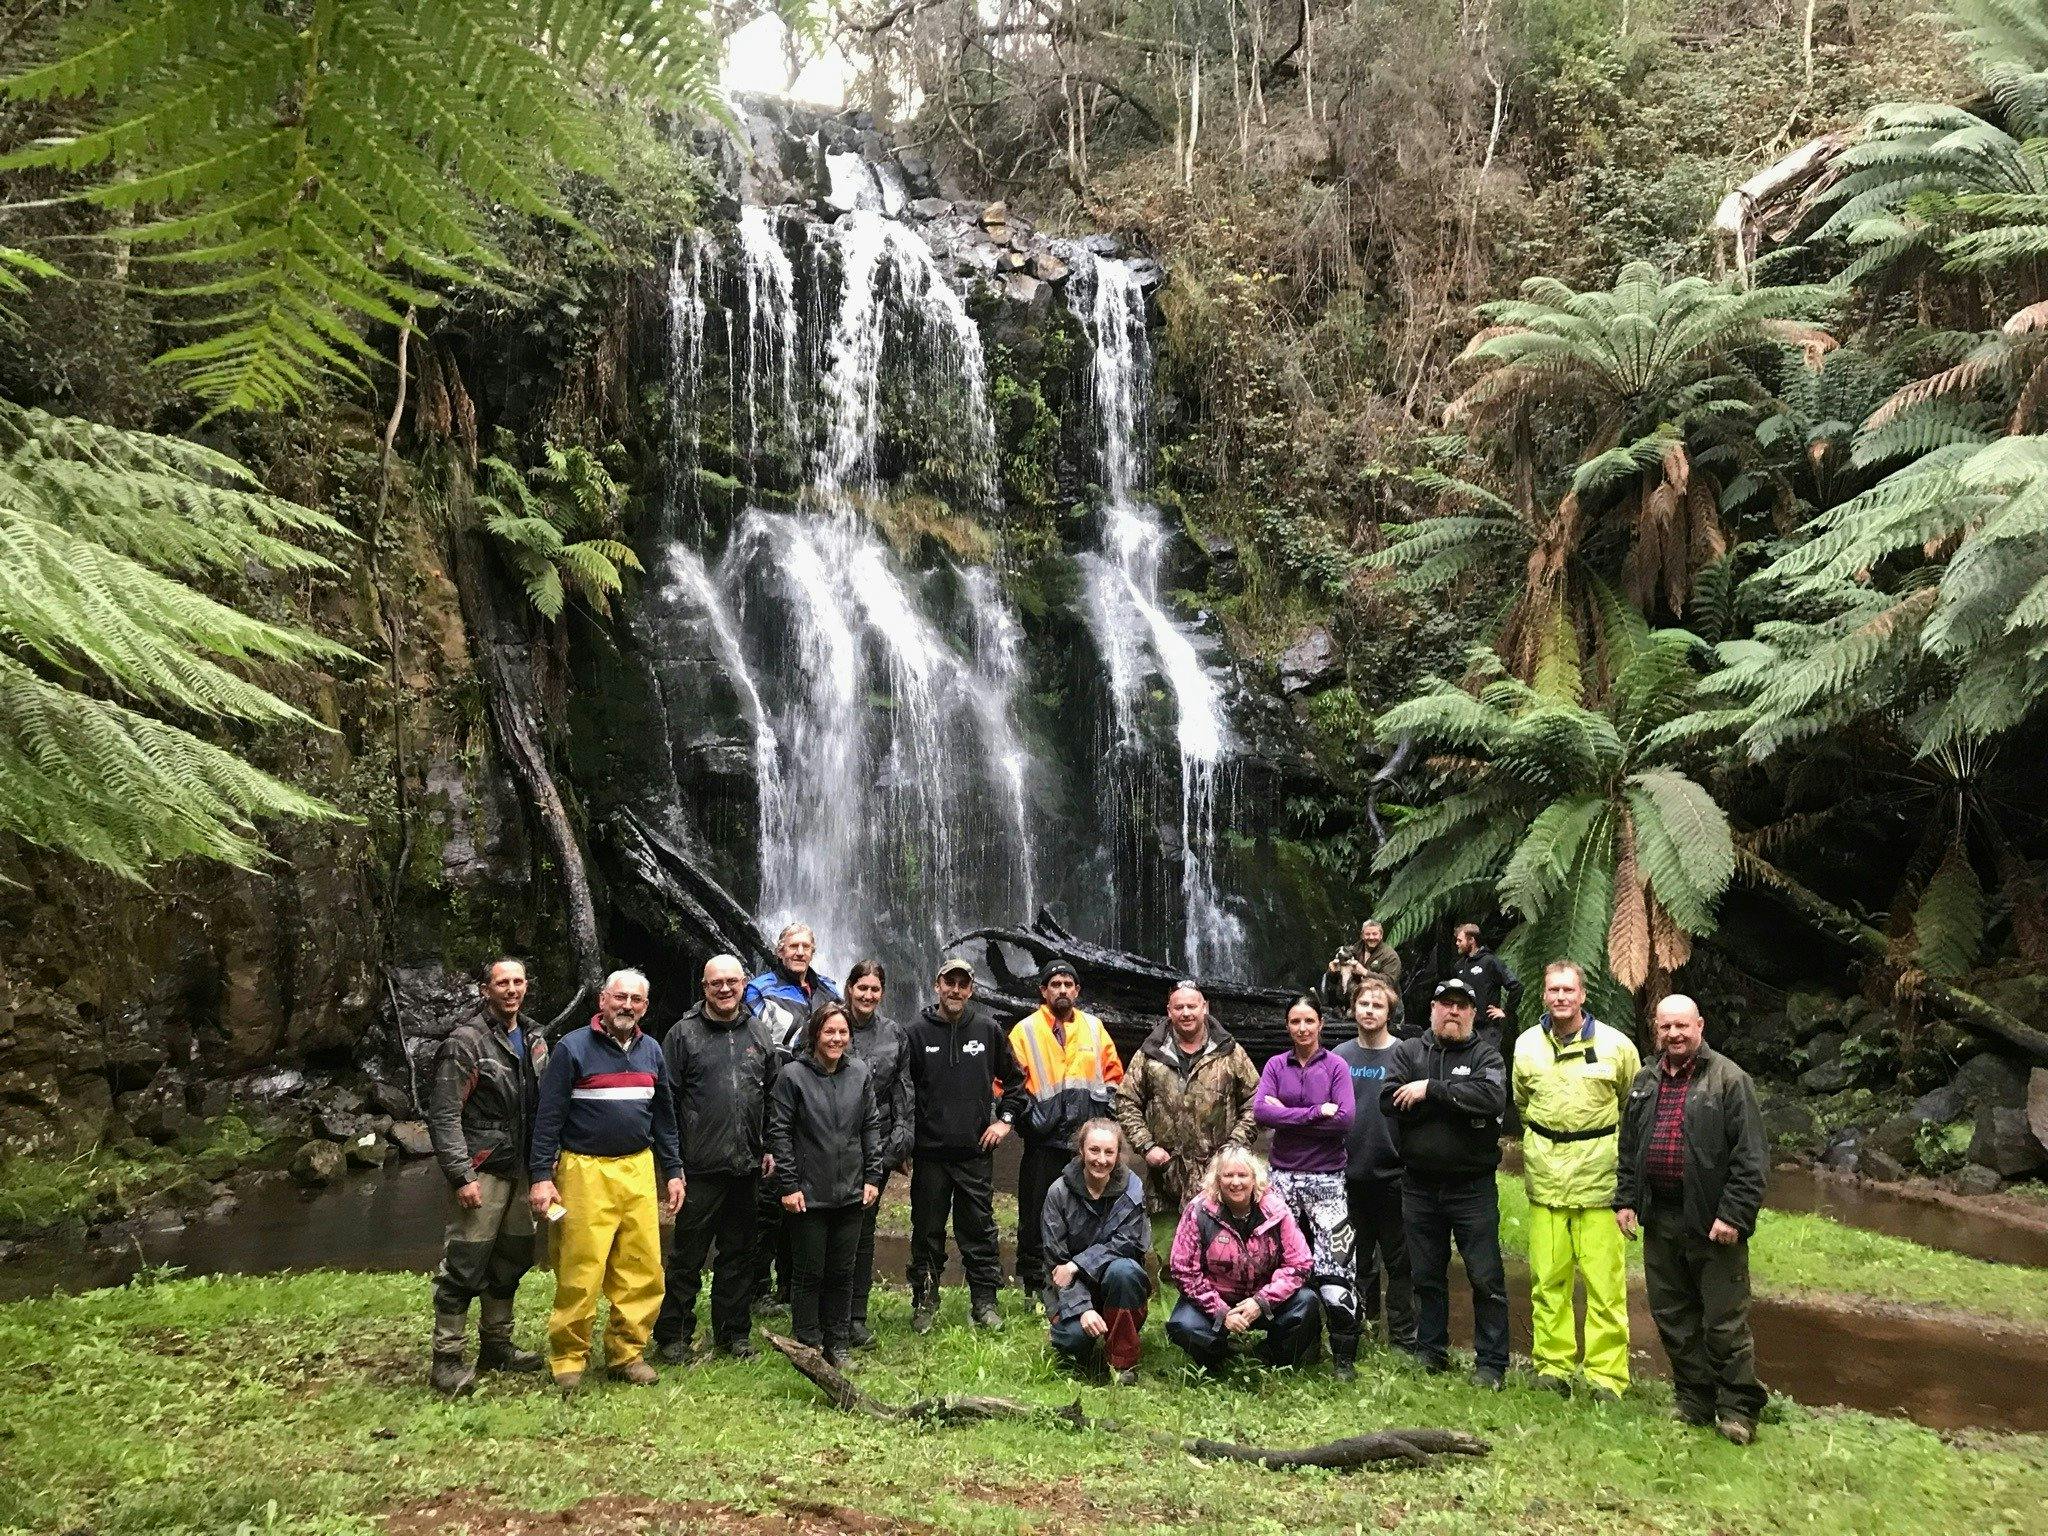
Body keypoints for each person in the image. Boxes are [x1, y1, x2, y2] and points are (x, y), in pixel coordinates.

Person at [1616, 994, 1769, 1444]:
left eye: (1682, 1026)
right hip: (1660, 1218)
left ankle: (1738, 1407)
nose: (1674, 1035)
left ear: (1699, 1026)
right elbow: (1630, 1149)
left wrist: (1734, 1215)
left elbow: (1751, 1157)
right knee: (1673, 1315)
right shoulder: (1645, 1080)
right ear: (1656, 1030)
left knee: (1723, 1319)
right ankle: (1694, 1397)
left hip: (1712, 1222)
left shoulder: (1729, 1080)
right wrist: (1626, 1200)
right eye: (1666, 1027)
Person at [527, 969, 684, 1391]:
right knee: (580, 1268)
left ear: (645, 1007)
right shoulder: (572, 1048)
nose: (627, 1006)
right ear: (602, 1000)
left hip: (637, 1168)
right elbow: (548, 1118)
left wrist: (674, 1171)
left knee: (643, 1267)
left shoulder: (651, 1050)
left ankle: (627, 1353)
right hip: (584, 1170)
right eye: (620, 997)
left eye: (636, 999)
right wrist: (542, 1176)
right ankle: (568, 1358)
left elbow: (665, 1118)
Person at [1514, 960, 1640, 1400]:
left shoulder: (1616, 1046)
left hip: (1599, 1181)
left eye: (1569, 990)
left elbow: (1632, 1104)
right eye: (1553, 990)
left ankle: (1607, 1375)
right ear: (1544, 995)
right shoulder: (1527, 1045)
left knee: (1605, 1285)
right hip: (1545, 1179)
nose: (1561, 997)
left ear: (1583, 995)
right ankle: (1553, 1366)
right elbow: (1521, 1099)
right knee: (1548, 1280)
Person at [423, 956, 550, 1395]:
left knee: (512, 1259)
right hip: (483, 1169)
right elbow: (443, 1113)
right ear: (485, 989)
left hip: (523, 1170)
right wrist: (461, 1175)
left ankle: (497, 1345)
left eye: (518, 982)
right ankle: (447, 1359)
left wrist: (544, 1171)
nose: (511, 989)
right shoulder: (465, 1043)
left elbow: (543, 1110)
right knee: (464, 1263)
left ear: (526, 987)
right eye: (502, 983)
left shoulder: (534, 1037)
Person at [1381, 976, 1510, 1389]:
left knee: (1485, 1277)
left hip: (1472, 1188)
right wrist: (1456, 1101)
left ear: (1473, 1013)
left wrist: (1430, 1091)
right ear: (1433, 1009)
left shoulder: (1487, 1054)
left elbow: (1491, 1100)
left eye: (1461, 1006)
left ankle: (1491, 1362)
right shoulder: (1408, 1051)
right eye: (1445, 1004)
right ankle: (1430, 1351)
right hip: (1418, 1185)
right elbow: (1389, 1100)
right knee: (1426, 1274)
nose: (1453, 1011)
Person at [652, 953, 777, 1366]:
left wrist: (771, 1146)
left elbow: (773, 1096)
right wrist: (673, 1165)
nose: (724, 989)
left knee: (739, 1257)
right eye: (715, 983)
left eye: (732, 982)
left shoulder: (759, 1032)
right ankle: (673, 1336)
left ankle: (733, 1334)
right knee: (687, 1256)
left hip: (746, 1167)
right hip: (699, 1168)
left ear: (745, 984)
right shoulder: (683, 1035)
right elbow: (665, 1104)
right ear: (703, 987)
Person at [902, 953, 1029, 1334]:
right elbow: (902, 1092)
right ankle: (924, 1301)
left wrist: (1005, 1121)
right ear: (937, 985)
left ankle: (985, 1303)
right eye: (949, 982)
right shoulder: (915, 1032)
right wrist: (904, 1142)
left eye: (963, 984)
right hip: (929, 1154)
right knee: (926, 1230)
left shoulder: (988, 1029)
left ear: (971, 989)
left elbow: (1016, 1083)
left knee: (980, 1229)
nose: (955, 990)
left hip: (975, 1151)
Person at [766, 1001, 884, 1369]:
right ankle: (808, 1346)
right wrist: (788, 1184)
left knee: (842, 1271)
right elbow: (779, 1132)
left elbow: (870, 1127)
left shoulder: (860, 1073)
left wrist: (872, 1177)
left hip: (850, 1191)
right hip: (807, 1193)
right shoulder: (792, 1076)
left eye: (843, 1032)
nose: (836, 1038)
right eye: (829, 1031)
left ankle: (839, 1343)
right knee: (810, 1271)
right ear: (815, 1033)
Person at [1253, 996, 1359, 1378]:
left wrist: (1286, 1115)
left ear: (1320, 1025)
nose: (1302, 1028)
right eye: (1295, 1021)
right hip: (1281, 1177)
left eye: (1309, 1020)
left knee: (1336, 1266)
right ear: (1288, 1026)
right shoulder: (1275, 1065)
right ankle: (1290, 1345)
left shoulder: (1336, 1066)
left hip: (1327, 1178)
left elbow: (1345, 1120)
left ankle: (1344, 1357)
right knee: (1279, 1263)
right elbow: (1262, 1113)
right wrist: (1315, 1113)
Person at [1008, 960, 1124, 1296]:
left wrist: (1103, 1118)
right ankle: (1032, 1284)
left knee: (1083, 1212)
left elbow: (1114, 1076)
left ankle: (1077, 1280)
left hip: (1084, 1144)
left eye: (1068, 984)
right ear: (1043, 991)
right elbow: (1006, 1083)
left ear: (1077, 990)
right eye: (1055, 984)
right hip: (1043, 1142)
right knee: (1035, 1212)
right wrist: (1030, 1120)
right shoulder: (1024, 1031)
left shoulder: (1094, 1028)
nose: (1062, 990)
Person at [745, 923, 841, 1316]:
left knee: (802, 1198)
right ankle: (757, 1287)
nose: (800, 952)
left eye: (806, 945)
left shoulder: (828, 990)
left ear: (813, 950)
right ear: (779, 950)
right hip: (775, 1097)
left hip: (817, 1102)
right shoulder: (758, 989)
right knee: (769, 1200)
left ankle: (791, 1283)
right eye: (793, 946)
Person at [1165, 1145, 1321, 1373]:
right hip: (1215, 1298)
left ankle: (1268, 1356)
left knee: (1307, 1304)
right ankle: (1222, 1355)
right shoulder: (1198, 1211)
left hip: (1266, 1299)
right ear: (1218, 1180)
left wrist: (1261, 1302)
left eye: (1242, 1175)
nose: (1235, 1182)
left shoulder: (1277, 1211)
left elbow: (1300, 1264)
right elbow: (1183, 1270)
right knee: (1183, 1325)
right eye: (1228, 1175)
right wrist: (1221, 1311)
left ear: (1254, 1179)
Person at [1114, 982, 1261, 1212]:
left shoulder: (1229, 1051)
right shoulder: (1151, 1053)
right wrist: (1146, 1146)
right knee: (1168, 1246)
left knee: (1219, 1246)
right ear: (1169, 1011)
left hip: (1219, 1179)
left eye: (1191, 1006)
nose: (1185, 1013)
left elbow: (1255, 1100)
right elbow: (1125, 1100)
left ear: (1205, 1008)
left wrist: (1233, 1148)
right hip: (1165, 1181)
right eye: (1179, 1007)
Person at [1330, 974, 1415, 1359]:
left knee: (1400, 1260)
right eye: (1363, 1004)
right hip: (1350, 1173)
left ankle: (1402, 1338)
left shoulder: (1406, 1053)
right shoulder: (1340, 1056)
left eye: (1377, 1005)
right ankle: (1364, 1327)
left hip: (1395, 1173)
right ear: (1352, 1009)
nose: (1369, 1011)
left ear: (1389, 1012)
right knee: (1358, 1258)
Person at [1040, 1118, 1152, 1384]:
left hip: (1118, 1284)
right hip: (1068, 1287)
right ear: (1081, 1151)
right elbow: (1058, 1264)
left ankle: (1123, 1363)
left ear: (1118, 1154)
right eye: (1094, 1150)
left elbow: (1128, 1243)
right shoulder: (1058, 1192)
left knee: (1124, 1270)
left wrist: (1078, 1265)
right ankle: (1080, 1344)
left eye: (1109, 1152)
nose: (1101, 1159)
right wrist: (1083, 1308)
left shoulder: (1132, 1188)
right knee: (1074, 1339)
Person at [842, 959, 916, 1347]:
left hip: (878, 1147)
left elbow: (904, 1090)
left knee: (864, 1232)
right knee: (831, 1230)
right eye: (862, 988)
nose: (868, 995)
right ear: (849, 987)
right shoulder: (829, 1024)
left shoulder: (894, 1034)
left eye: (875, 990)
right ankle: (825, 1314)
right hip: (832, 1146)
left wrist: (900, 1142)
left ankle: (856, 1316)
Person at [1450, 922, 1522, 1043]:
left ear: (1471, 940)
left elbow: (1516, 987)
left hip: (1488, 1030)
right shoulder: (1459, 966)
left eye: (1460, 940)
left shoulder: (1490, 962)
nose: (1457, 943)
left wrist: (1506, 1011)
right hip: (1465, 1029)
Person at [1326, 919, 1404, 1029]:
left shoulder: (1390, 956)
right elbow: (1336, 981)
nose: (1371, 937)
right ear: (1362, 935)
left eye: (1375, 934)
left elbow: (1390, 982)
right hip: (1359, 1009)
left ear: (1381, 935)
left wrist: (1365, 972)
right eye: (1368, 934)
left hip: (1388, 1011)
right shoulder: (1352, 951)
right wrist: (1332, 971)